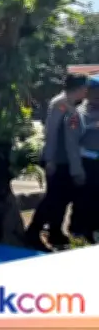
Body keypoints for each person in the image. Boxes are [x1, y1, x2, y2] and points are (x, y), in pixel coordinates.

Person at [26, 73, 88, 250]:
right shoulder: (60, 104)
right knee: (52, 199)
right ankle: (33, 231)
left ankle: (55, 231)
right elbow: (51, 134)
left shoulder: (72, 104)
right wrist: (50, 159)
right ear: (78, 87)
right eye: (85, 87)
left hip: (65, 160)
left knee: (63, 198)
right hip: (58, 160)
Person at [68, 77, 99, 242]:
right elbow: (72, 141)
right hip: (85, 160)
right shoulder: (79, 113)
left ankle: (93, 230)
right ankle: (77, 231)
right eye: (95, 92)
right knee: (82, 198)